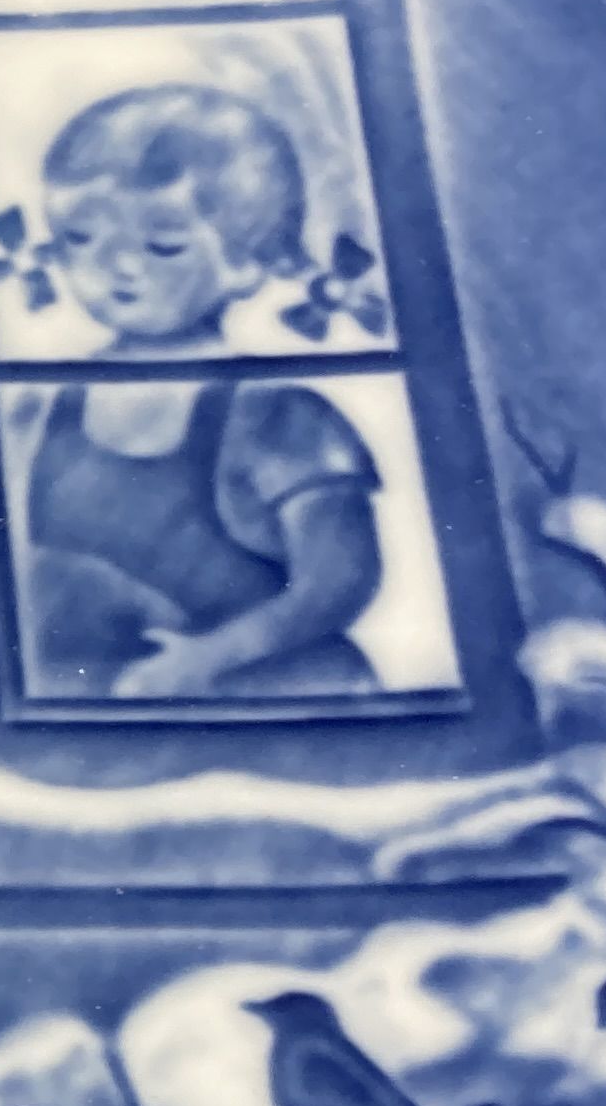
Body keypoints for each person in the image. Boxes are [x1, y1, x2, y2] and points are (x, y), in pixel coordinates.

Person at [19, 80, 384, 698]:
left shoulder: (279, 414)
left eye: (162, 245)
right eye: (80, 237)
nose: (114, 264)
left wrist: (209, 659)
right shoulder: (39, 402)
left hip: (271, 699)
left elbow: (338, 582)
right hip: (111, 700)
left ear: (248, 264)